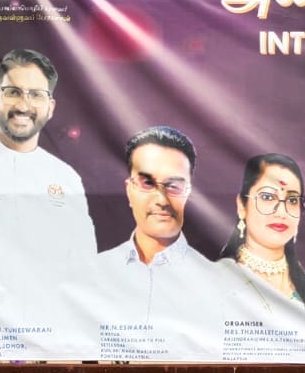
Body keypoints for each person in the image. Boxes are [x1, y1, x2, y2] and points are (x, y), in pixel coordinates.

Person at [0, 49, 95, 344]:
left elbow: (83, 262)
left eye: (36, 95)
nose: (24, 105)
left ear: (50, 107)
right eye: (13, 92)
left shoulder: (65, 177)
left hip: (52, 334)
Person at [94, 126, 226, 359]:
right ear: (129, 190)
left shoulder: (217, 284)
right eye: (147, 184)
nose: (161, 200)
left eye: (174, 186)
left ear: (189, 192)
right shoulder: (93, 274)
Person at [218, 153, 305, 321]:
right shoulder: (212, 282)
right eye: (267, 197)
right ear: (242, 205)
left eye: (291, 200)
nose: (281, 212)